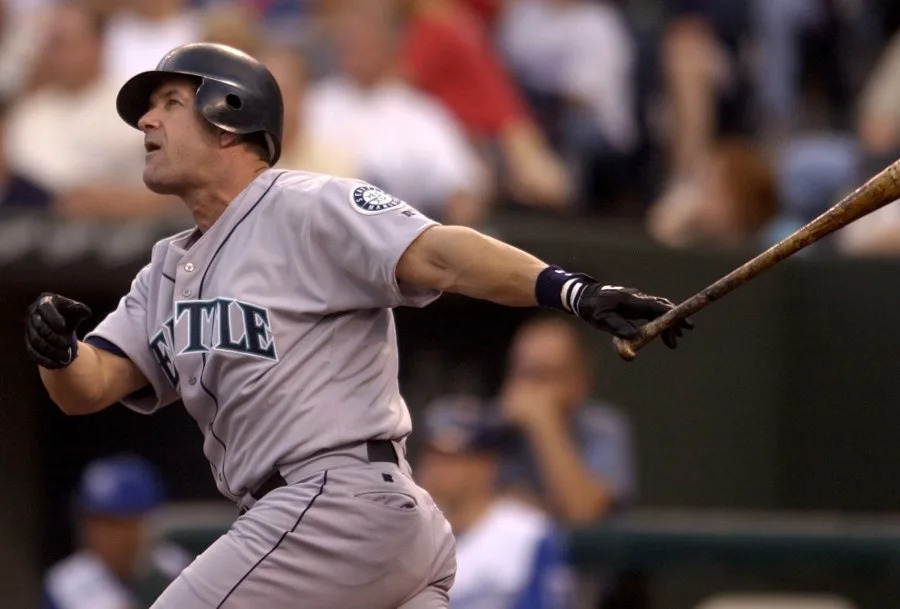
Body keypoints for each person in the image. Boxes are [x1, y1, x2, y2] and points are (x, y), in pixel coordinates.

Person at [24, 42, 690, 609]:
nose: (144, 119)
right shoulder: (165, 271)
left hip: (335, 500)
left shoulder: (307, 204)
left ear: (229, 117)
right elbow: (91, 384)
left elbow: (443, 253)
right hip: (339, 524)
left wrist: (569, 289)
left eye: (169, 102)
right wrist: (58, 352)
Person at [4, 2, 180, 220]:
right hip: (37, 235)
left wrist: (113, 201)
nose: (55, 55)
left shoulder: (136, 102)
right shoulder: (30, 111)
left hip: (127, 235)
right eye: (50, 44)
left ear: (99, 44)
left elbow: (176, 190)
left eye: (64, 43)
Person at [417, 395, 574, 609]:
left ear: (486, 465)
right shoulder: (409, 532)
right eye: (432, 455)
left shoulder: (529, 534)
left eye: (451, 458)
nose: (436, 468)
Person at [496, 316, 636, 526]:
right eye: (527, 373)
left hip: (578, 557)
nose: (535, 389)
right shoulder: (488, 426)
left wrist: (544, 425)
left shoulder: (602, 428)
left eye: (548, 375)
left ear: (579, 381)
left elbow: (584, 514)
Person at [42, 454, 188, 609]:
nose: (102, 534)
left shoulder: (175, 569)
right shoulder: (65, 583)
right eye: (96, 522)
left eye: (117, 524)